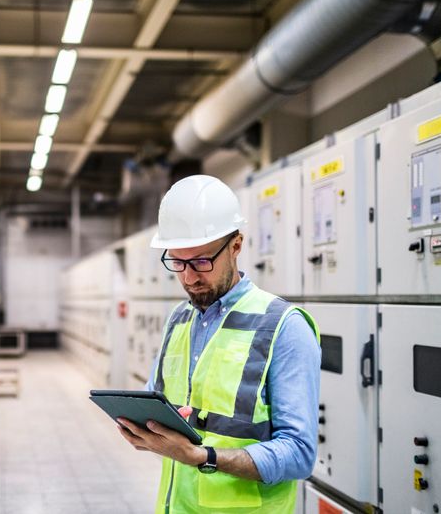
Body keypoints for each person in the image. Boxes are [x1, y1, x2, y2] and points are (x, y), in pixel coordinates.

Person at [116, 175, 321, 514]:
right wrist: (144, 427)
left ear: (236, 245)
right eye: (177, 262)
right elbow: (156, 396)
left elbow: (299, 454)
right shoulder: (179, 319)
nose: (188, 278)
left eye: (200, 262)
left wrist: (203, 457)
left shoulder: (284, 327)